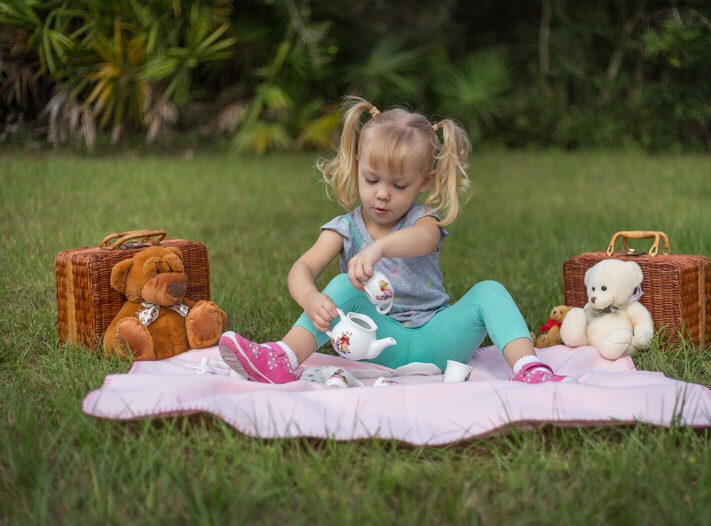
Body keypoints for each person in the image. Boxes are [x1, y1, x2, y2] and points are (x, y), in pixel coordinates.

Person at [219, 96, 572, 385]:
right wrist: (311, 298)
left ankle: (529, 368)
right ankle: (283, 358)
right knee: (344, 285)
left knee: (490, 291)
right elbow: (302, 267)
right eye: (371, 180)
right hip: (371, 343)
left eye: (399, 185)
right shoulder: (344, 228)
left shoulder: (422, 221)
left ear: (424, 181)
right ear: (357, 166)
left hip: (437, 341)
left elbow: (424, 240)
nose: (382, 195)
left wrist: (380, 247)